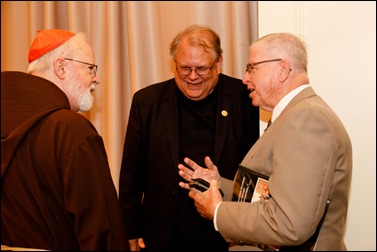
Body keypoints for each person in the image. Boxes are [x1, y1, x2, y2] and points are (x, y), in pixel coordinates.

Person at [178, 32, 352, 251]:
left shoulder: (306, 119)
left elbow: (289, 223)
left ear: (282, 70)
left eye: (252, 68)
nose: (245, 78)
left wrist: (218, 211)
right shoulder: (295, 115)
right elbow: (272, 193)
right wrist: (219, 183)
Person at [119, 24, 260, 251]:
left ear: (219, 62)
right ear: (174, 63)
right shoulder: (147, 102)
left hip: (225, 233)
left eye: (202, 68)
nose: (193, 77)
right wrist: (131, 229)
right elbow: (131, 174)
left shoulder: (244, 98)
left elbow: (256, 168)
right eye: (184, 68)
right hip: (164, 234)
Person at [1, 29, 129, 251]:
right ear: (61, 68)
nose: (96, 78)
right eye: (90, 68)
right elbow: (101, 229)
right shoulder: (70, 129)